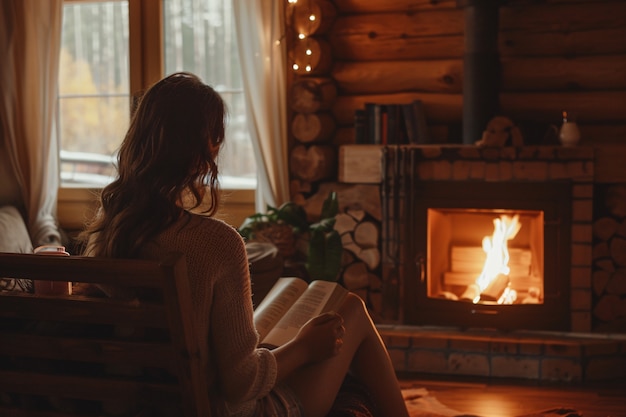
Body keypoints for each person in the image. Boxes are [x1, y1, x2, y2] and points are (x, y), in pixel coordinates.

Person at [79, 72, 410, 417]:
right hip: (228, 410)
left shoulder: (110, 228)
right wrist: (305, 348)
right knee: (352, 308)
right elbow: (240, 384)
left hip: (149, 401)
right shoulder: (216, 244)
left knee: (290, 290)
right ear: (202, 149)